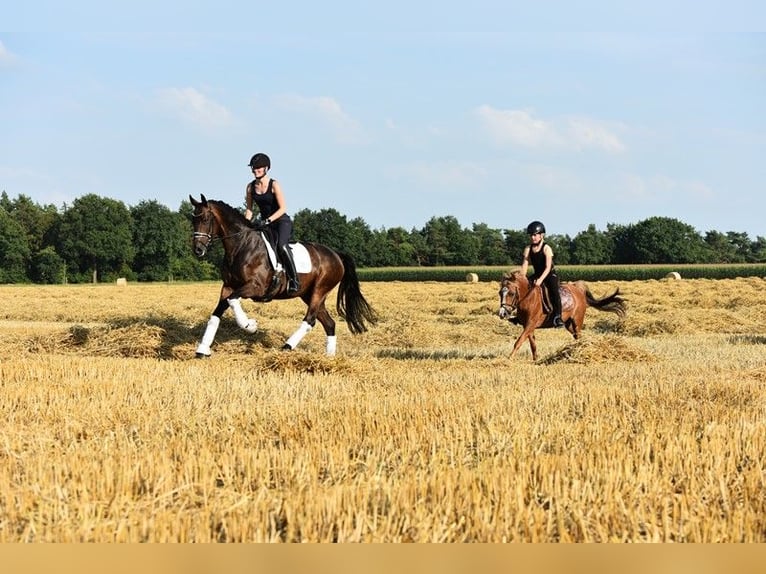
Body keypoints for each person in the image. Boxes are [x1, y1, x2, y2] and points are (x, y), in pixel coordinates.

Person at [245, 152, 300, 293]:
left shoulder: (274, 185)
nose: (255, 170)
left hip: (281, 222)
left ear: (266, 169)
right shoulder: (250, 187)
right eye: (253, 168)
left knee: (281, 246)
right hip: (265, 224)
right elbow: (249, 211)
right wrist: (245, 225)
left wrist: (268, 220)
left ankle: (294, 280)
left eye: (258, 168)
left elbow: (283, 208)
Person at [519, 220, 564, 327]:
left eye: (535, 235)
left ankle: (558, 317)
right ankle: (520, 315)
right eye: (531, 235)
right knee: (523, 288)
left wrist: (540, 280)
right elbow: (525, 265)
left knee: (554, 292)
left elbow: (548, 267)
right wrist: (522, 278)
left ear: (541, 235)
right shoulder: (528, 249)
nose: (532, 237)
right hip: (537, 274)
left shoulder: (546, 248)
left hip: (549, 275)